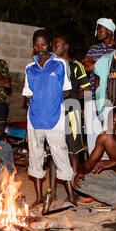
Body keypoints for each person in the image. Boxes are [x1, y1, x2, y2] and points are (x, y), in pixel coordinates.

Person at [22, 29, 75, 208]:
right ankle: (38, 197)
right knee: (35, 159)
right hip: (35, 119)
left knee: (61, 156)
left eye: (43, 44)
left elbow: (66, 90)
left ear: (50, 44)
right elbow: (27, 97)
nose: (40, 48)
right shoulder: (30, 68)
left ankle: (71, 197)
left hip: (54, 118)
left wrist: (50, 95)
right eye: (36, 44)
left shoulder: (60, 64)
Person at [51, 34, 90, 202]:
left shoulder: (76, 66)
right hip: (53, 112)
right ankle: (51, 192)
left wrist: (77, 102)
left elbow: (87, 89)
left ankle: (74, 191)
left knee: (74, 152)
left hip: (71, 111)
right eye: (52, 45)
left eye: (57, 45)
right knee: (53, 151)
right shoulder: (51, 66)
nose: (54, 48)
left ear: (66, 46)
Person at [82, 18, 116, 155]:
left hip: (112, 98)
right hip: (92, 98)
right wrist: (105, 66)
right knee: (92, 134)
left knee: (110, 134)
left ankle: (109, 170)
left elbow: (115, 69)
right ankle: (93, 170)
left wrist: (95, 64)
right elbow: (86, 66)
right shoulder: (93, 48)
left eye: (100, 29)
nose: (97, 32)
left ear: (109, 31)